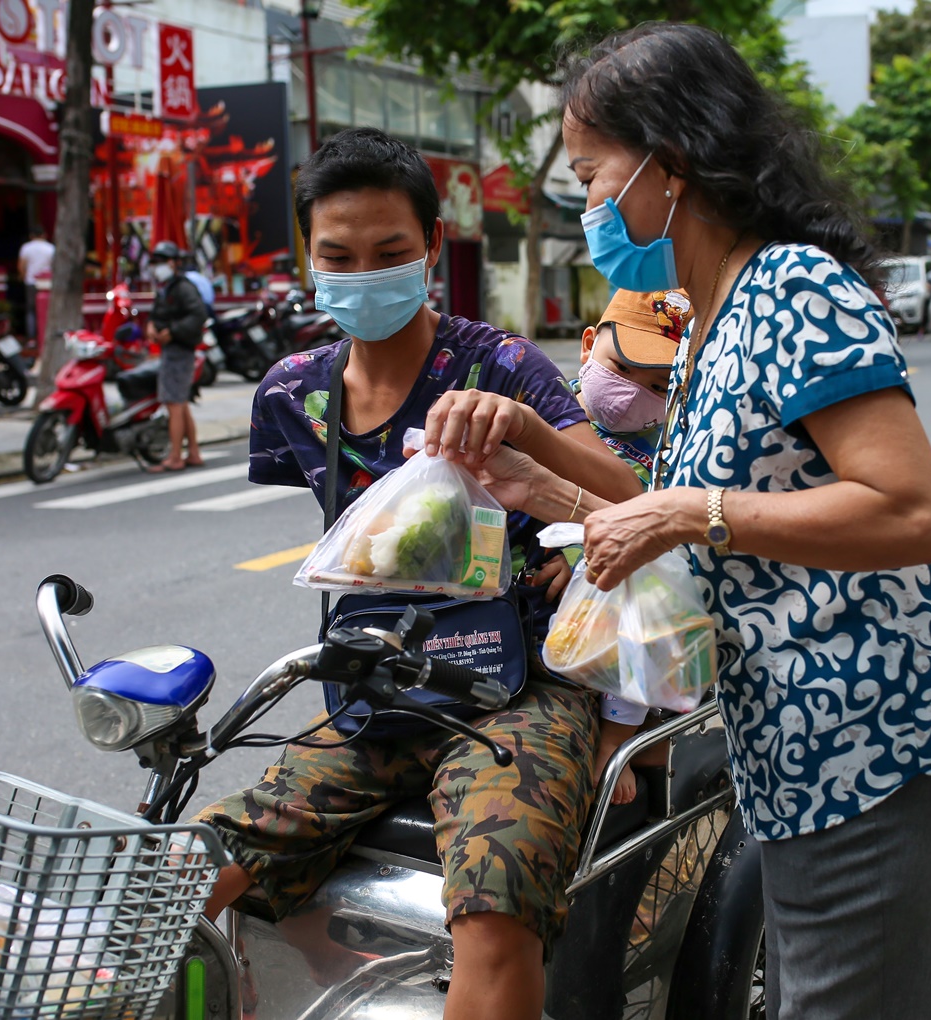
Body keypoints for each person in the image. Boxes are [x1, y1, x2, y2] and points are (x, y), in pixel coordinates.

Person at [473, 24, 931, 1019]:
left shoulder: (792, 286)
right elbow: (701, 540)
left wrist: (685, 506)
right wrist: (534, 484)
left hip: (878, 742)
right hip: (799, 753)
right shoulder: (704, 322)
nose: (586, 202)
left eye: (593, 173)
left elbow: (912, 511)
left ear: (667, 167)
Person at [194, 127, 641, 1020]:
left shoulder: (502, 365)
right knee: (200, 867)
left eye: (390, 253)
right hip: (372, 689)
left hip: (515, 688)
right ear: (306, 257)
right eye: (339, 256)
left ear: (433, 248)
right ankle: (319, 975)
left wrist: (526, 431)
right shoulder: (292, 393)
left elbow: (629, 496)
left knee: (497, 902)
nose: (364, 273)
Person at [570, 287, 692, 805]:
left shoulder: (672, 448)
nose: (633, 393)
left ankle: (618, 737)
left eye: (658, 385)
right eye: (620, 369)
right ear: (589, 344)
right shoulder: (544, 407)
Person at [145, 240, 208, 472]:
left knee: (174, 404)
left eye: (161, 262)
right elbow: (157, 314)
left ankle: (175, 457)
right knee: (180, 404)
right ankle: (192, 452)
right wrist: (151, 325)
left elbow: (198, 315)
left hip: (180, 351)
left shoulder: (182, 287)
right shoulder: (165, 287)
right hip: (171, 350)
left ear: (173, 263)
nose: (157, 267)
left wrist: (172, 332)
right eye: (155, 262)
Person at [17, 227, 55, 340]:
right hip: (47, 284)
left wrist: (24, 277)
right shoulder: (50, 248)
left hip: (31, 282)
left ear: (31, 236)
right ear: (44, 235)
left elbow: (21, 266)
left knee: (31, 310)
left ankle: (31, 338)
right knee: (48, 311)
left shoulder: (26, 248)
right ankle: (47, 336)